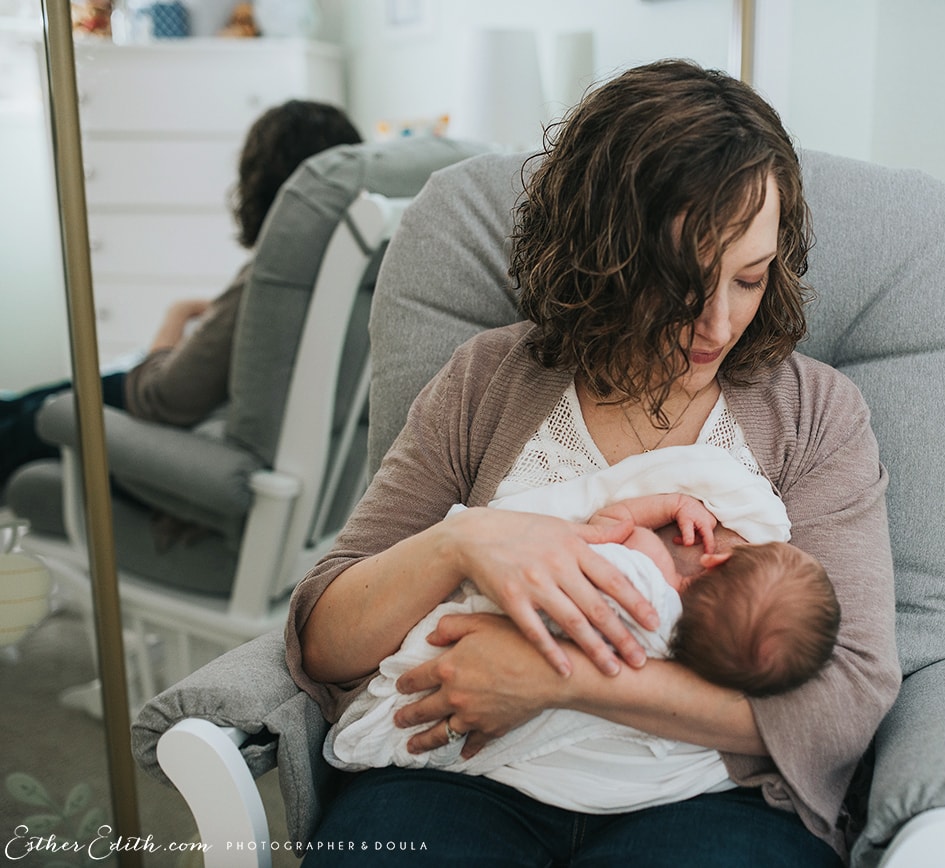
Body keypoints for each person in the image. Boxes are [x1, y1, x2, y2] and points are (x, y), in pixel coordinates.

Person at [290, 59, 899, 866]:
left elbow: (848, 696)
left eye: (748, 280)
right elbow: (324, 639)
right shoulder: (487, 382)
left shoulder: (813, 415)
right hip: (457, 776)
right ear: (605, 254)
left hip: (703, 797)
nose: (718, 324)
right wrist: (462, 543)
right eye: (683, 282)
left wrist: (564, 681)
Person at [325, 447, 841, 817]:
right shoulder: (682, 659)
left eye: (747, 285)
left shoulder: (648, 584)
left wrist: (666, 506)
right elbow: (323, 637)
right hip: (621, 790)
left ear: (717, 558)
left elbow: (608, 526)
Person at [0, 99, 361, 495]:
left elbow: (164, 398)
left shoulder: (271, 276)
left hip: (144, 411)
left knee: (32, 414)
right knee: (17, 403)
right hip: (184, 407)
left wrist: (176, 316)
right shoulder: (351, 269)